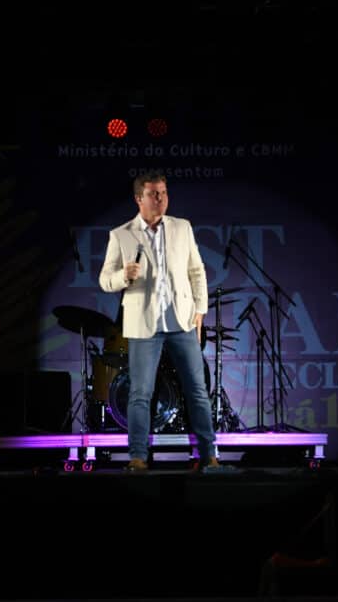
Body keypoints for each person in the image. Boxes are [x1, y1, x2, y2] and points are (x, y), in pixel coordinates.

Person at [99, 171, 228, 472]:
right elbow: (105, 280)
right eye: (153, 194)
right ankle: (137, 457)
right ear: (139, 198)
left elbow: (196, 270)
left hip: (181, 321)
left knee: (197, 390)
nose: (160, 199)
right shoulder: (121, 234)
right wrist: (122, 276)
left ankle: (209, 456)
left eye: (164, 193)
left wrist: (200, 310)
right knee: (140, 394)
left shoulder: (182, 227)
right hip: (144, 325)